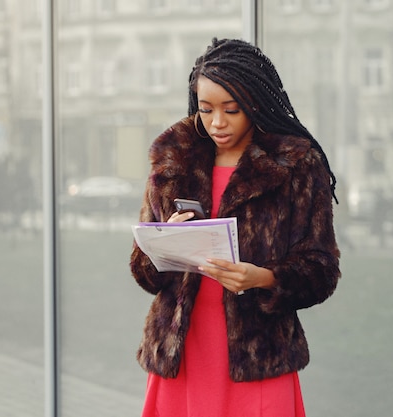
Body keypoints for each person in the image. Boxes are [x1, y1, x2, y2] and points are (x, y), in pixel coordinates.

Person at [130, 38, 341, 417]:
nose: (217, 122)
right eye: (206, 109)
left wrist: (262, 278)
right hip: (182, 350)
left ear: (255, 102)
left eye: (232, 109)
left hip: (257, 355)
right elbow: (143, 271)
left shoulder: (296, 165)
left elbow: (321, 270)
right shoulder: (172, 159)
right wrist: (164, 243)